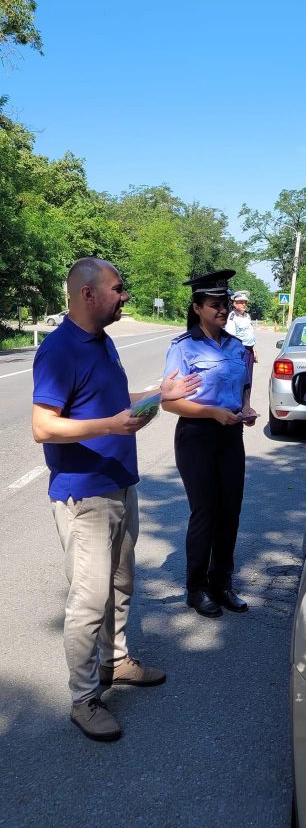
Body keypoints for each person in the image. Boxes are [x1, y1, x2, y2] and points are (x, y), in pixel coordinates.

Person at [32, 257, 200, 743]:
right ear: (88, 294)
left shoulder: (103, 342)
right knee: (87, 601)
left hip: (121, 483)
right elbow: (44, 426)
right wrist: (109, 426)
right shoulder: (61, 350)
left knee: (121, 584)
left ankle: (114, 659)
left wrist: (156, 394)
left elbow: (114, 403)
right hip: (84, 494)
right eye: (118, 288)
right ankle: (84, 699)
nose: (125, 296)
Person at [162, 270, 258, 618]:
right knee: (205, 512)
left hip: (231, 434)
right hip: (196, 437)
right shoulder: (183, 347)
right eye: (215, 306)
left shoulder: (236, 346)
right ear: (198, 307)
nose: (222, 311)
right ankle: (196, 588)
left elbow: (243, 386)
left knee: (230, 512)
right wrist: (213, 413)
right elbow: (169, 402)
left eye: (225, 305)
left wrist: (245, 408)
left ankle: (222, 582)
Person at [225, 290, 258, 398]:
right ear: (234, 303)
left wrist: (254, 349)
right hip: (239, 352)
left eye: (245, 302)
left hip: (249, 351)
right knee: (239, 380)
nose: (244, 304)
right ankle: (237, 408)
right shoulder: (232, 317)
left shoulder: (247, 316)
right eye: (241, 302)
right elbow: (231, 338)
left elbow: (250, 334)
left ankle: (246, 406)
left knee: (249, 380)